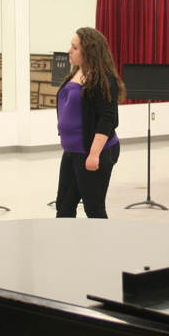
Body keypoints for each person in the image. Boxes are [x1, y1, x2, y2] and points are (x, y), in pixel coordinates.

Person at [55, 27, 126, 218]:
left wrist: (94, 154)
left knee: (93, 209)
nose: (69, 51)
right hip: (72, 152)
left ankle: (102, 247)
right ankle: (67, 247)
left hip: (94, 152)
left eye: (74, 47)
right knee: (63, 207)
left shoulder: (103, 79)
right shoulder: (76, 73)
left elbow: (107, 119)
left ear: (89, 52)